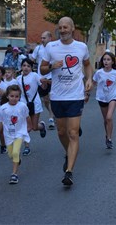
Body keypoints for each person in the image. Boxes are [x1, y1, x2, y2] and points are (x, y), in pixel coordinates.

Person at [40, 16, 93, 186]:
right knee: (61, 133)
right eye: (60, 27)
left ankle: (69, 171)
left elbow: (87, 64)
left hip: (75, 96)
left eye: (65, 27)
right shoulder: (51, 47)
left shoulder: (81, 47)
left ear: (72, 28)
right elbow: (41, 69)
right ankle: (68, 153)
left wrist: (89, 79)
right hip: (57, 97)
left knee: (73, 133)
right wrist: (51, 67)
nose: (62, 30)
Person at [0, 85, 32, 184]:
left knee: (15, 152)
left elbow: (27, 117)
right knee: (11, 154)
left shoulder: (22, 106)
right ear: (7, 96)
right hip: (8, 134)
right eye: (12, 96)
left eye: (16, 96)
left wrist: (29, 126)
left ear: (19, 97)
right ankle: (17, 160)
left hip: (20, 133)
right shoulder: (3, 108)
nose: (14, 98)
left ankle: (14, 174)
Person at [92, 52, 116, 149]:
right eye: (104, 59)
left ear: (112, 62)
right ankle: (107, 135)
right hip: (102, 97)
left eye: (108, 60)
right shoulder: (99, 73)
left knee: (109, 117)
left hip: (113, 97)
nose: (106, 62)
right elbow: (93, 83)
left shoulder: (115, 73)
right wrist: (86, 93)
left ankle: (109, 139)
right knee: (106, 120)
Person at [16, 58, 47, 156]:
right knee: (25, 126)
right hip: (23, 105)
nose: (26, 68)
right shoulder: (18, 78)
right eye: (24, 65)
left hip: (35, 104)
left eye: (28, 66)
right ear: (21, 67)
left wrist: (44, 82)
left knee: (34, 127)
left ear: (31, 68)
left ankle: (41, 126)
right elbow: (14, 91)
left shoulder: (34, 76)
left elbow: (43, 87)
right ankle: (27, 147)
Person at [31, 31, 56, 130]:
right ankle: (51, 113)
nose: (42, 40)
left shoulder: (54, 48)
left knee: (52, 97)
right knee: (46, 99)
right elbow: (32, 59)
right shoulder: (38, 48)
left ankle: (51, 117)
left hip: (52, 77)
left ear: (50, 38)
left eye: (44, 38)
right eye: (41, 38)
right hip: (41, 77)